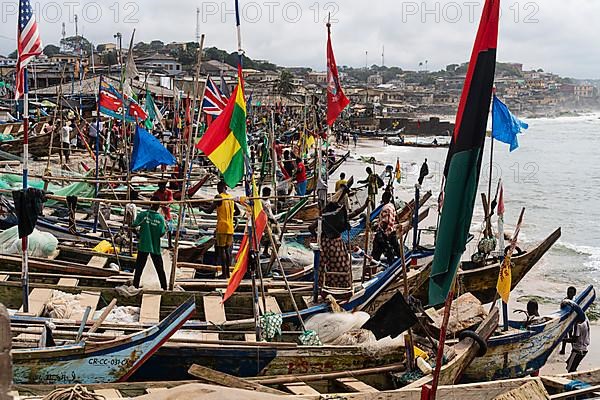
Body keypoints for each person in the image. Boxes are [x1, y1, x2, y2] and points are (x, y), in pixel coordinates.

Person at [132, 196, 168, 290]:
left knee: (139, 268)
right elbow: (162, 233)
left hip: (144, 245)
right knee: (160, 269)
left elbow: (133, 226)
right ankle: (164, 287)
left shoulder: (143, 215)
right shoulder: (160, 218)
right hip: (154, 247)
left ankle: (135, 286)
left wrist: (139, 234)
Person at [202, 181, 235, 279]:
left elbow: (209, 210)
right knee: (228, 251)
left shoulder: (218, 197)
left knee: (222, 250)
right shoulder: (231, 198)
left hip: (222, 227)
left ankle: (224, 273)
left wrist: (202, 208)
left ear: (221, 187)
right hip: (230, 227)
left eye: (218, 187)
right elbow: (237, 211)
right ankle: (228, 273)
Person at [371, 191, 401, 264]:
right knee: (396, 249)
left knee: (377, 251)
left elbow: (385, 221)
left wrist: (378, 227)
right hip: (392, 231)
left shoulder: (385, 208)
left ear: (384, 198)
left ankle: (373, 267)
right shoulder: (391, 206)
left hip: (385, 233)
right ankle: (402, 264)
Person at [153, 181, 174, 247]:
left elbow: (170, 201)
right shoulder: (156, 193)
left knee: (169, 228)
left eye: (164, 186)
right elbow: (154, 201)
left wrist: (166, 204)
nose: (163, 188)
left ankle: (170, 244)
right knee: (156, 228)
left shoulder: (169, 192)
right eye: (162, 187)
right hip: (158, 212)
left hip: (166, 213)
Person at [560, 287, 578, 355]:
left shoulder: (575, 301)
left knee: (571, 335)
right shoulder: (565, 300)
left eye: (571, 292)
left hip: (572, 320)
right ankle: (563, 349)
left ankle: (573, 349)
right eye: (568, 292)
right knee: (564, 335)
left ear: (574, 294)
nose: (569, 293)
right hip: (565, 320)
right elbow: (561, 310)